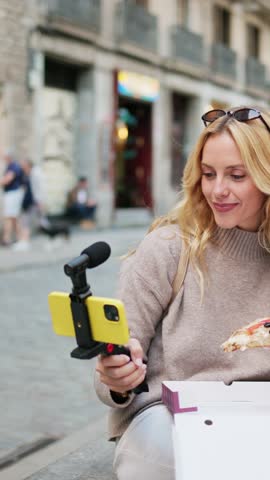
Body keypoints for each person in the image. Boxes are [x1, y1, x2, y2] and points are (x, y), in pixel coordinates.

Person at [94, 106, 270, 479]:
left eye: (236, 175)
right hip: (169, 419)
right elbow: (112, 371)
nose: (217, 190)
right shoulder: (168, 248)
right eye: (208, 174)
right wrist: (118, 375)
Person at [12, 159, 46, 251]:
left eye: (23, 166)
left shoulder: (36, 173)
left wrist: (40, 202)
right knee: (30, 221)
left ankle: (25, 242)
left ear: (28, 165)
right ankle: (24, 241)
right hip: (29, 201)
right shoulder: (29, 173)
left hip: (33, 201)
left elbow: (39, 189)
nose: (22, 168)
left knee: (30, 221)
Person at [0, 150, 24, 246]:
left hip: (13, 194)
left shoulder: (14, 166)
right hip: (12, 194)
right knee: (13, 217)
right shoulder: (10, 166)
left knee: (9, 216)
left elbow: (7, 179)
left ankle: (8, 239)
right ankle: (19, 239)